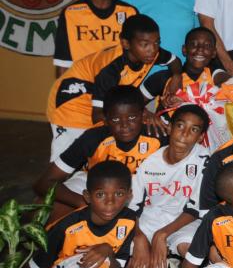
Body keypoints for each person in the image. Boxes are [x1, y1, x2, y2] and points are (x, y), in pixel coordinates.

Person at [46, 15, 179, 161]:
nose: (152, 50)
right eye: (145, 44)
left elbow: (174, 61)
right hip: (71, 105)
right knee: (68, 157)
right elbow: (97, 115)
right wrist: (143, 115)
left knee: (91, 158)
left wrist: (177, 76)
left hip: (101, 100)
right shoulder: (111, 70)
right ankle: (52, 184)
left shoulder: (150, 53)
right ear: (126, 43)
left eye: (156, 43)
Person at [37, 84, 163, 222]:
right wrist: (82, 202)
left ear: (144, 115)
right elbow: (44, 182)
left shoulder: (157, 136)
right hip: (94, 184)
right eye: (115, 119)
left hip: (139, 189)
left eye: (132, 118)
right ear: (105, 120)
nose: (124, 125)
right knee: (41, 209)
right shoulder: (94, 137)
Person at [129, 104, 211, 268]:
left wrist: (162, 234)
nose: (184, 134)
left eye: (194, 129)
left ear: (200, 137)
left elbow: (194, 209)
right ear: (170, 127)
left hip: (186, 220)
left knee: (189, 248)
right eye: (180, 126)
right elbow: (131, 208)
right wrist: (139, 237)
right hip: (151, 218)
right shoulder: (148, 160)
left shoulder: (205, 161)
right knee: (128, 254)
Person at [54, 0, 136, 76]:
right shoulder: (72, 13)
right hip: (82, 86)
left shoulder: (129, 12)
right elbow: (63, 63)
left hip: (116, 88)